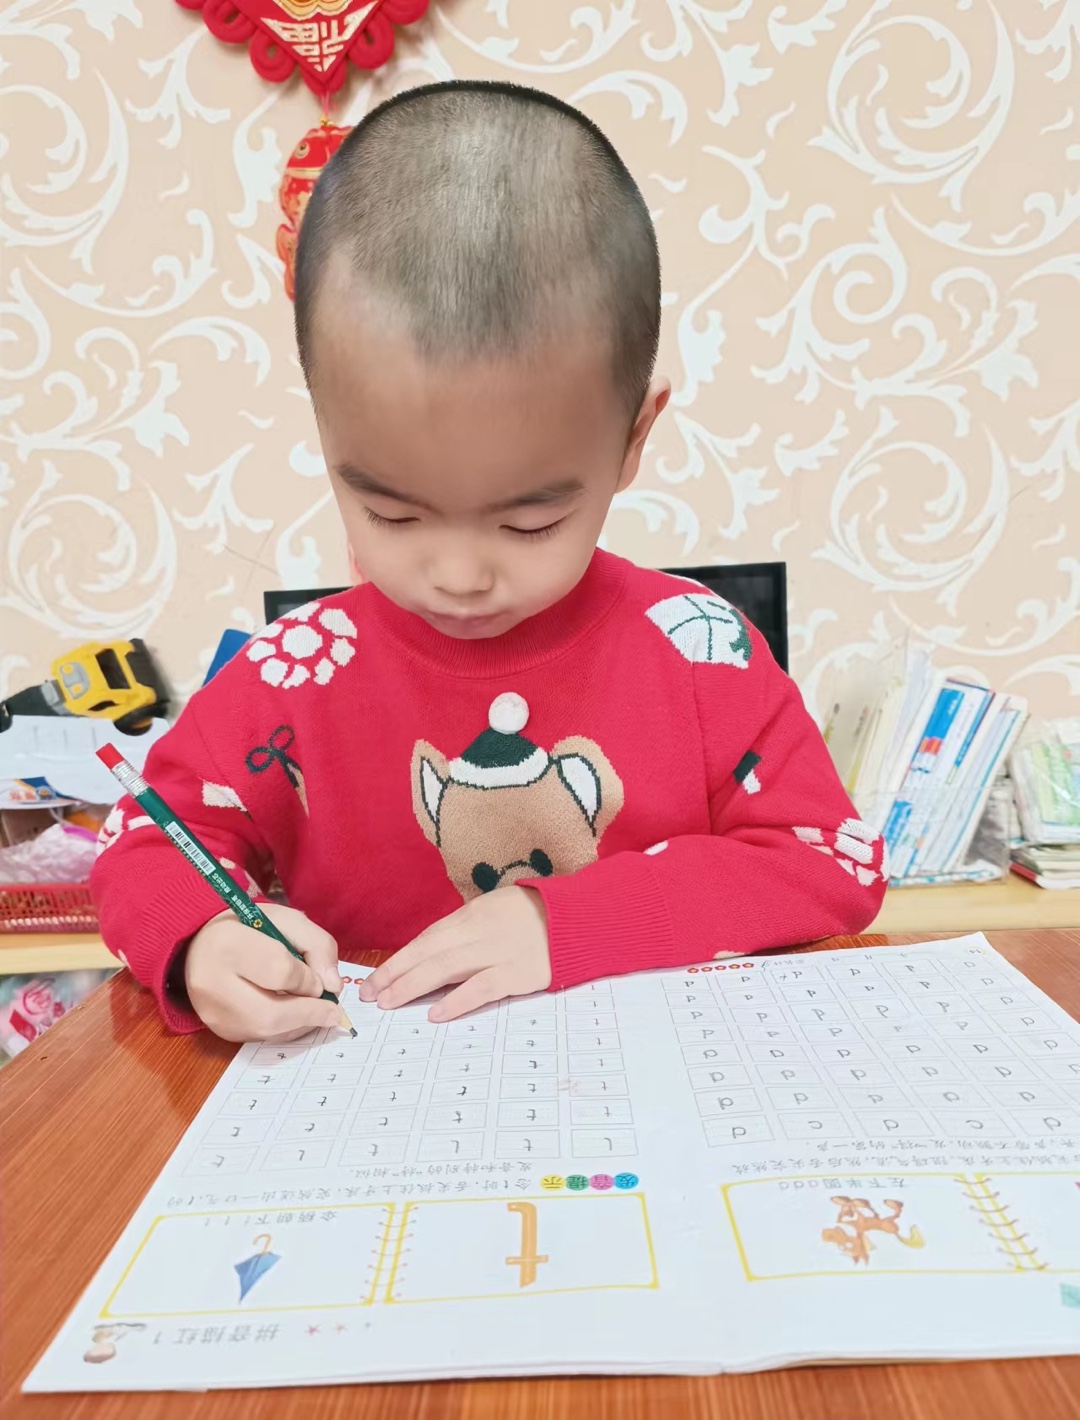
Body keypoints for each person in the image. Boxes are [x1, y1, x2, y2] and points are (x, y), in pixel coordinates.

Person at [91, 81, 886, 1043]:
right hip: (380, 1103)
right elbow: (146, 844)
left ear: (632, 439)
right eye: (392, 512)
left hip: (652, 1090)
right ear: (327, 432)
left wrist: (574, 921)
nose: (460, 575)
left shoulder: (698, 650)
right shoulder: (292, 676)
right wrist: (203, 940)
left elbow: (830, 860)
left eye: (529, 522)